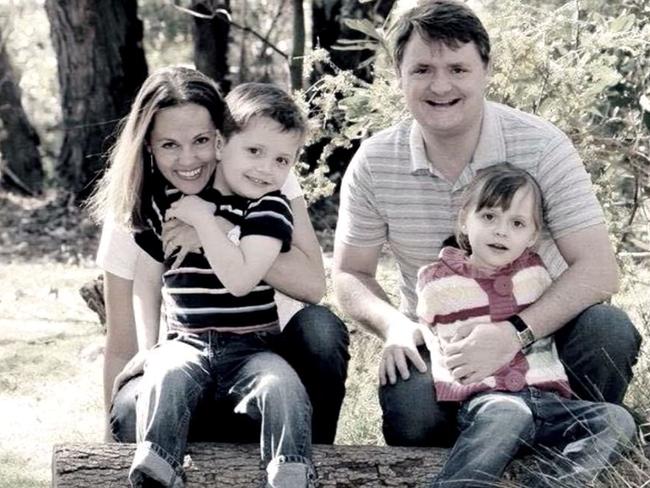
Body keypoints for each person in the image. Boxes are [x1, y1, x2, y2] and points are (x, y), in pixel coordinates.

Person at [332, 0, 641, 448]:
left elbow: (599, 270)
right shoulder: (375, 162)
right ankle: (482, 443)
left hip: (544, 330)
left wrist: (514, 333)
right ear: (398, 75)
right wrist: (397, 327)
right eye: (421, 70)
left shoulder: (540, 145)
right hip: (445, 344)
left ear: (485, 70)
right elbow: (349, 273)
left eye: (458, 68)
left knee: (608, 329)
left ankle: (567, 442)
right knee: (410, 405)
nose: (441, 85)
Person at [88, 67, 347, 487]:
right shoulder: (146, 202)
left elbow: (312, 285)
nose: (188, 159)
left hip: (255, 352)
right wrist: (105, 451)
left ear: (222, 137)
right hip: (188, 353)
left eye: (201, 141)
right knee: (159, 380)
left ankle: (300, 466)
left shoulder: (264, 178)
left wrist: (214, 229)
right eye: (169, 144)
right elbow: (136, 310)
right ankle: (157, 465)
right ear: (148, 149)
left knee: (305, 350)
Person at [416, 164, 635, 487]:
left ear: (533, 236)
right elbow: (427, 327)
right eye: (489, 217)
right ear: (465, 219)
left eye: (517, 223)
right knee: (509, 414)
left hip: (552, 404)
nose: (501, 231)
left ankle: (557, 483)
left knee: (617, 419)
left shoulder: (536, 274)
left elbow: (566, 310)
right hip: (489, 403)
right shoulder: (439, 278)